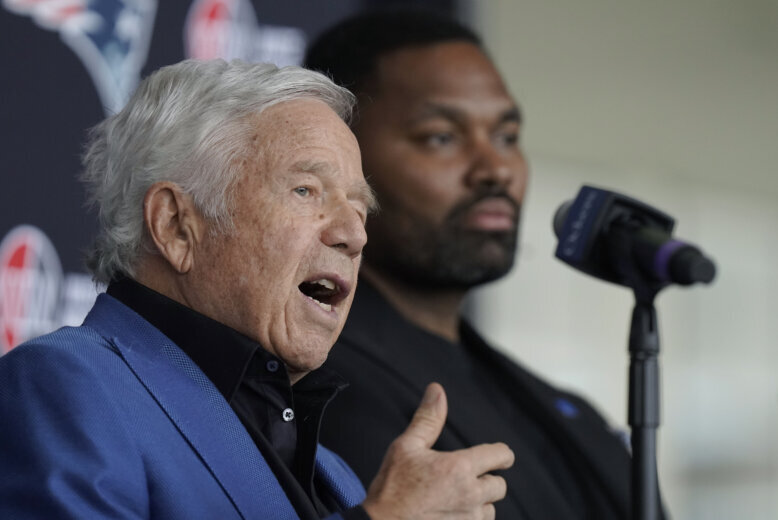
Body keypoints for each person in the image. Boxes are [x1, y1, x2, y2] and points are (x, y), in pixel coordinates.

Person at [0, 59, 515, 520]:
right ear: (176, 226)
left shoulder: (334, 474)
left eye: (359, 208)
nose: (354, 235)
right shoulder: (61, 386)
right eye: (306, 191)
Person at [305, 9, 644, 519]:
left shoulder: (559, 407)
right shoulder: (315, 390)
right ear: (337, 158)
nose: (495, 170)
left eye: (506, 137)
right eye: (440, 137)